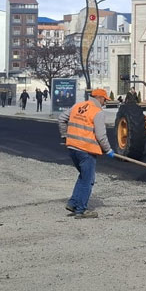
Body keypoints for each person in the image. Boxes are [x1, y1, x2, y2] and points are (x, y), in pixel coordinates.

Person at [58, 88, 115, 219]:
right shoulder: (98, 112)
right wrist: (108, 150)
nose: (105, 103)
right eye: (105, 100)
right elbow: (101, 136)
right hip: (86, 151)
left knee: (84, 176)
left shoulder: (77, 106)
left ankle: (73, 203)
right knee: (88, 180)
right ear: (99, 98)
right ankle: (81, 210)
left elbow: (61, 119)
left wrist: (65, 136)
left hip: (72, 148)